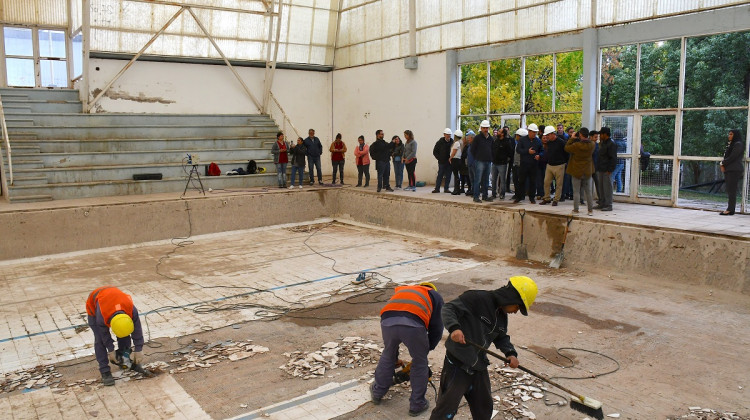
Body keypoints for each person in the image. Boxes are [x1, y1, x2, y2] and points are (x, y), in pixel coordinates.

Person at [429, 276, 538, 420]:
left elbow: (501, 337)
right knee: (445, 410)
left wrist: (510, 353)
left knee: (484, 408)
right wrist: (454, 328)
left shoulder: (501, 317)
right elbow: (448, 308)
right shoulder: (476, 298)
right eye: (517, 307)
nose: (516, 311)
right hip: (457, 364)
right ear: (511, 298)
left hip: (478, 366)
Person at [371, 282, 444, 417]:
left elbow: (399, 312)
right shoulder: (435, 295)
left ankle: (377, 392)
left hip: (387, 320)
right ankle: (417, 404)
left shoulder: (405, 290)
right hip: (413, 323)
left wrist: (395, 357)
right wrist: (426, 349)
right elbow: (438, 328)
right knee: (420, 361)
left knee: (388, 354)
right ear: (432, 289)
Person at [86, 286, 145, 386]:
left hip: (116, 299)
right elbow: (104, 335)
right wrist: (111, 350)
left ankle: (124, 361)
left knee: (124, 336)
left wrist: (139, 349)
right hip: (95, 305)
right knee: (99, 340)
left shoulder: (131, 310)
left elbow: (137, 330)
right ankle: (104, 370)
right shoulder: (101, 318)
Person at [565, 128, 596, 215]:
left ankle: (576, 209)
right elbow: (590, 142)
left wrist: (572, 138)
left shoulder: (576, 145)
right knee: (588, 192)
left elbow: (566, 148)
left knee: (576, 191)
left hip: (576, 171)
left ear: (581, 135)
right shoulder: (592, 145)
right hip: (587, 171)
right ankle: (590, 210)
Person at [539, 126, 567, 206]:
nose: (547, 137)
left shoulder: (561, 142)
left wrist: (564, 162)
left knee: (559, 184)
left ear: (552, 134)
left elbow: (566, 153)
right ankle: (547, 198)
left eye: (548, 135)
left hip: (559, 165)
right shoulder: (549, 143)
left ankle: (556, 199)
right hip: (550, 165)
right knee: (546, 182)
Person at [513, 124, 541, 203]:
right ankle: (519, 197)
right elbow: (518, 150)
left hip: (534, 165)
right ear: (529, 132)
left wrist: (539, 155)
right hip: (524, 164)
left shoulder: (538, 141)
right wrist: (527, 151)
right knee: (521, 181)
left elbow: (541, 150)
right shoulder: (522, 140)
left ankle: (532, 197)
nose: (534, 134)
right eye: (533, 132)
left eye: (535, 132)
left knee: (533, 181)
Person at [720, 129, 744, 216]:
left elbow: (732, 157)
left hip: (734, 169)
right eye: (729, 134)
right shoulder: (732, 144)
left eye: (731, 134)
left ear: (735, 135)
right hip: (730, 169)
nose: (729, 136)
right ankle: (730, 209)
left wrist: (722, 163)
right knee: (730, 189)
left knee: (732, 190)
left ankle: (730, 209)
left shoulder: (738, 144)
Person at [471, 120, 495, 203]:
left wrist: (491, 158)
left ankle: (485, 196)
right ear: (481, 128)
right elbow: (472, 149)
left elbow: (493, 149)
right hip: (479, 161)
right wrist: (477, 157)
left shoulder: (491, 139)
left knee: (486, 180)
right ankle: (476, 196)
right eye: (484, 128)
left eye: (486, 128)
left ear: (488, 128)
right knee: (478, 179)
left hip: (488, 161)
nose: (485, 129)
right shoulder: (477, 138)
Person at [595, 127, 617, 211]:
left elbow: (613, 158)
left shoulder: (611, 144)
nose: (600, 136)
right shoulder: (603, 143)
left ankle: (608, 204)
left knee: (607, 187)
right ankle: (602, 203)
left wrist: (610, 170)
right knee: (601, 187)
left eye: (601, 134)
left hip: (607, 169)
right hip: (601, 168)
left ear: (605, 134)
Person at [491, 128, 513, 199]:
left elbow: (510, 152)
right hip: (494, 163)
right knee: (493, 179)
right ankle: (493, 193)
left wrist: (506, 159)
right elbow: (492, 150)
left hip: (502, 164)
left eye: (499, 131)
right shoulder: (495, 141)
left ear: (503, 134)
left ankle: (502, 194)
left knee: (502, 179)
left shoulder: (507, 142)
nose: (497, 132)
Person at [433, 128, 454, 193]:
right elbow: (435, 151)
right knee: (440, 175)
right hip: (442, 162)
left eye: (449, 135)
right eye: (447, 134)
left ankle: (446, 188)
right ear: (444, 134)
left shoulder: (452, 142)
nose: (448, 136)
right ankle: (437, 188)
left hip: (449, 162)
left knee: (448, 175)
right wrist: (439, 158)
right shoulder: (439, 142)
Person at [450, 130, 464, 195]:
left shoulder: (456, 143)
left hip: (455, 159)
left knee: (456, 175)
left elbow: (454, 152)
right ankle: (457, 189)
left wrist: (450, 158)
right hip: (458, 160)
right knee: (457, 175)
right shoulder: (461, 142)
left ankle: (456, 189)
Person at [463, 131, 475, 196]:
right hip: (469, 164)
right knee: (471, 179)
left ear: (472, 138)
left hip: (474, 164)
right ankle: (473, 190)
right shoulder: (469, 146)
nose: (468, 139)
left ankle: (475, 191)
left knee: (475, 179)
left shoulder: (475, 146)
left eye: (469, 138)